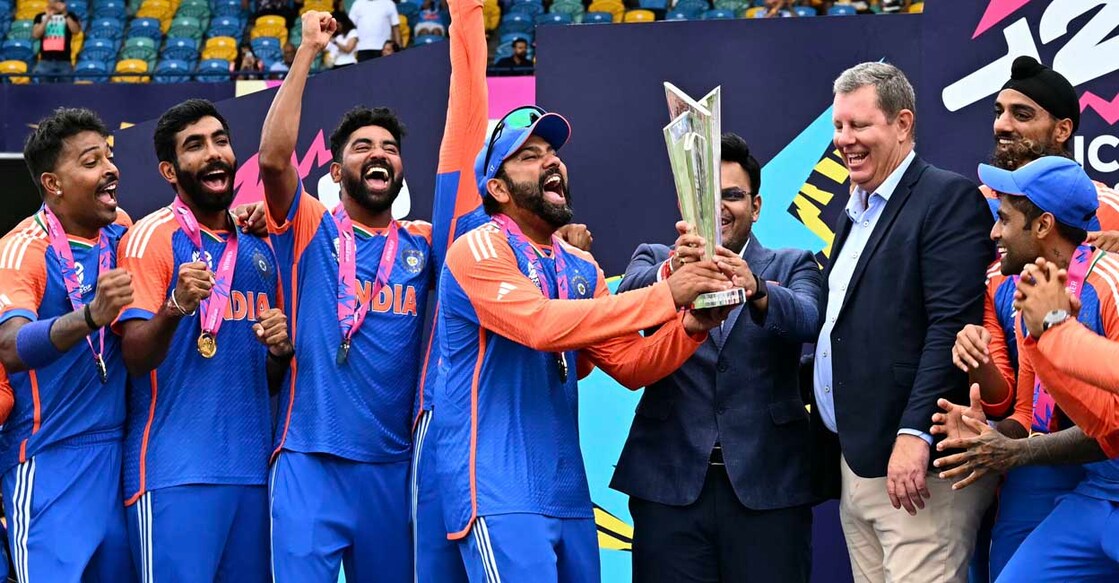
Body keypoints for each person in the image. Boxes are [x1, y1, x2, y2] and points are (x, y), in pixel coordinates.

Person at [259, 11, 430, 582]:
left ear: (401, 170)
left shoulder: (424, 245)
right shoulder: (311, 227)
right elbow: (273, 160)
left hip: (390, 467)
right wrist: (308, 48)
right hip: (311, 459)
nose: (377, 154)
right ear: (336, 169)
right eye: (361, 147)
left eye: (388, 147)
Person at [810, 61, 997, 583]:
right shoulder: (855, 209)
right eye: (839, 126)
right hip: (860, 462)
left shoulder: (946, 199)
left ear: (903, 124)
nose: (845, 140)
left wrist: (914, 435)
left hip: (918, 470)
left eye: (860, 125)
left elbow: (950, 327)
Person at [612, 133, 822, 582]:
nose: (721, 208)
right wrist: (674, 273)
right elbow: (622, 307)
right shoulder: (656, 259)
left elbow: (809, 320)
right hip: (669, 488)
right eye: (709, 197)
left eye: (733, 195)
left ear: (757, 205)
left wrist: (759, 289)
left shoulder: (792, 263)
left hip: (768, 489)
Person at [115, 99, 291, 582]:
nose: (214, 154)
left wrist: (278, 351)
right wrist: (175, 305)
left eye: (220, 141)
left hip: (254, 476)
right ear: (170, 171)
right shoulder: (152, 236)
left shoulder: (259, 247)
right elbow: (134, 356)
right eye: (195, 146)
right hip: (174, 474)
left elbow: (268, 382)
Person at [933, 156, 1119, 581]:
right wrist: (993, 438)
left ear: (1042, 226)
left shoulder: (1111, 283)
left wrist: (1053, 332)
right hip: (1098, 494)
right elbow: (1089, 423)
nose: (994, 232)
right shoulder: (1032, 296)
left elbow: (1114, 422)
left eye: (1004, 219)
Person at [0, 108, 135, 582]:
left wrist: (244, 219)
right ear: (53, 184)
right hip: (49, 461)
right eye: (91, 160)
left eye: (109, 156)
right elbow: (11, 345)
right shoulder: (23, 248)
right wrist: (90, 315)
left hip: (122, 459)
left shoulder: (122, 230)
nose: (110, 169)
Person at [985, 56, 1119, 249]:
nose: (1001, 125)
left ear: (1062, 130)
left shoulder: (1109, 209)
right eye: (999, 113)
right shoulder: (977, 201)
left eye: (1021, 115)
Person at [31, 0, 81, 83]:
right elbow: (35, 35)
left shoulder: (70, 15)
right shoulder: (40, 16)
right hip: (45, 61)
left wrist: (65, 14)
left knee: (66, 91)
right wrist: (46, 19)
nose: (54, 3)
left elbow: (75, 30)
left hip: (65, 61)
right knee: (45, 91)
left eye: (57, 1)